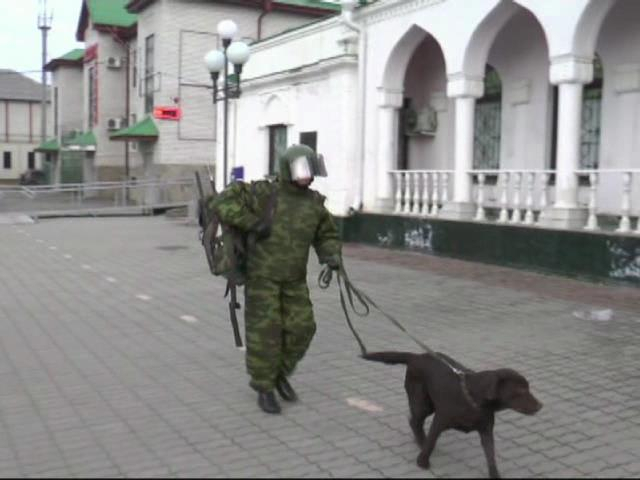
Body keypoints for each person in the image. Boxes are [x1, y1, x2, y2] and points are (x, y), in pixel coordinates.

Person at [210, 144, 341, 414]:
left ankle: (280, 373)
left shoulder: (315, 204)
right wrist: (250, 221)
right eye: (301, 169)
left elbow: (326, 234)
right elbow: (222, 202)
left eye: (309, 169)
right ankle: (264, 387)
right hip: (263, 278)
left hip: (294, 279)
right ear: (287, 169)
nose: (307, 175)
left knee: (303, 328)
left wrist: (331, 256)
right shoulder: (264, 193)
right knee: (265, 333)